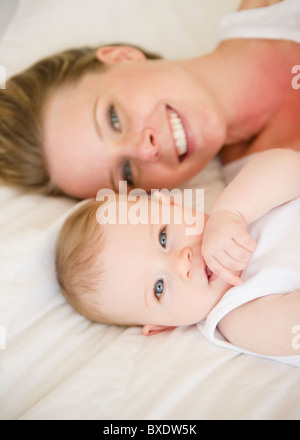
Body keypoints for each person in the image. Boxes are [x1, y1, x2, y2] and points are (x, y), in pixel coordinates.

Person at [0, 0, 299, 198]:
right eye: (127, 173)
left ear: (122, 56)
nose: (145, 150)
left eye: (114, 119)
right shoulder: (270, 203)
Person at [55, 148, 300, 366]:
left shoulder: (240, 203)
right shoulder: (239, 318)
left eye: (163, 237)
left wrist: (231, 211)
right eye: (158, 288)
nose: (181, 262)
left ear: (174, 206)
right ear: (163, 326)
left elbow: (291, 167)